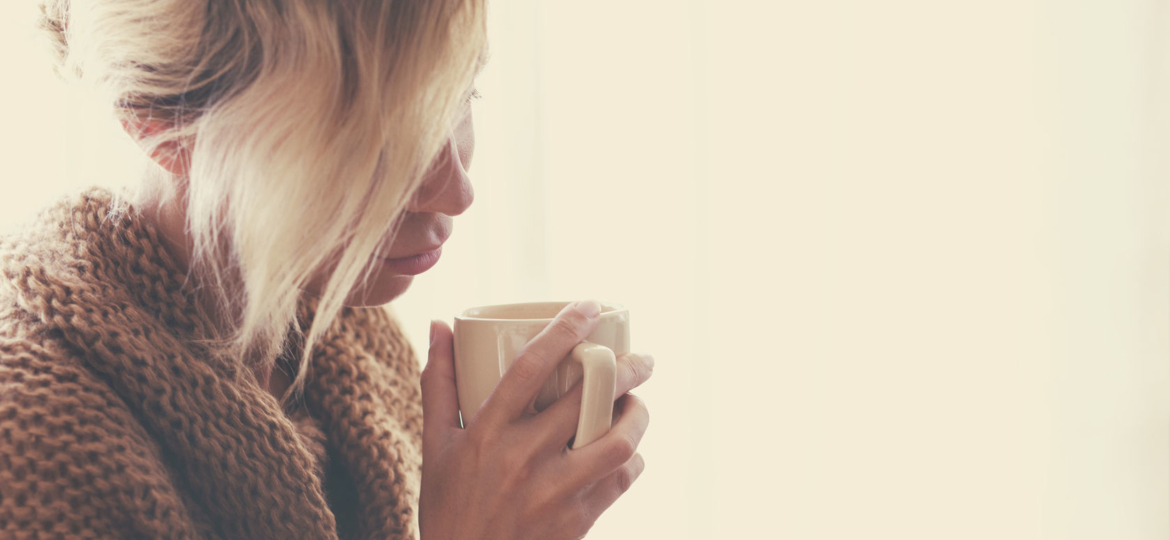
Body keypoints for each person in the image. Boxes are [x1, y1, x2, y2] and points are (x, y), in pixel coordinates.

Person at [0, 1, 653, 539]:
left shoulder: (355, 347)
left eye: (462, 93)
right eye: (373, 137)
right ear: (163, 125)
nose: (457, 190)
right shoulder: (30, 438)